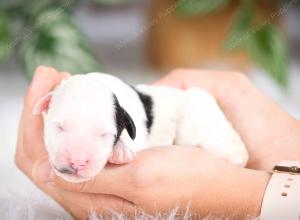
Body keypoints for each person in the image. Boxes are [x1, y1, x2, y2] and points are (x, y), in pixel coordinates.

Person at [15, 66, 300, 219]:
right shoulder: (82, 97)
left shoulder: (125, 109)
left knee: (221, 150)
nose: (76, 159)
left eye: (104, 135)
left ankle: (234, 160)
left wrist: (243, 193)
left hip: (183, 114)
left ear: (121, 125)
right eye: (60, 127)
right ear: (46, 106)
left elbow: (134, 131)